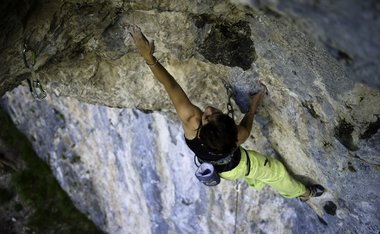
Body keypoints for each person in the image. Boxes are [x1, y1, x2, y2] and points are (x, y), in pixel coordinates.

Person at [129, 25, 324, 200]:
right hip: (240, 165)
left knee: (254, 175)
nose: (208, 110)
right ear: (234, 139)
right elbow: (245, 129)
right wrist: (253, 107)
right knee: (277, 173)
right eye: (212, 114)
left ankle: (258, 181)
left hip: (224, 172)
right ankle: (303, 193)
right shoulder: (237, 136)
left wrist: (148, 57)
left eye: (210, 116)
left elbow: (171, 86)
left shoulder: (192, 122)